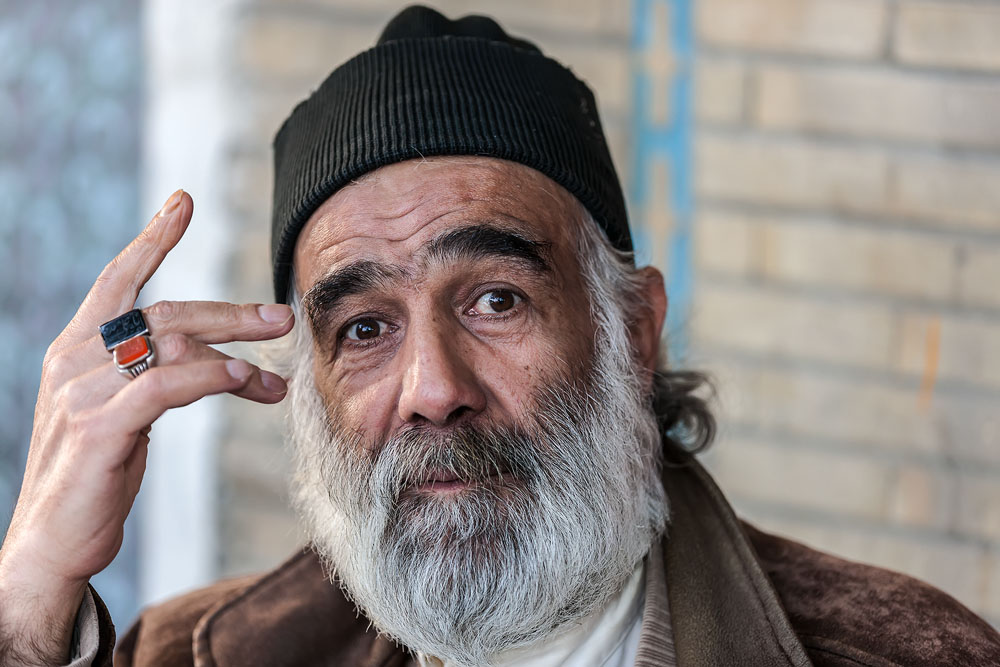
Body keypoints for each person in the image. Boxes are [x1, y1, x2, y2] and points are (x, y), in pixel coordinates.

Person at [2, 6, 999, 667]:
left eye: (495, 301)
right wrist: (31, 602)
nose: (434, 389)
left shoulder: (907, 652)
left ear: (632, 332)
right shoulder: (191, 654)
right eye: (364, 327)